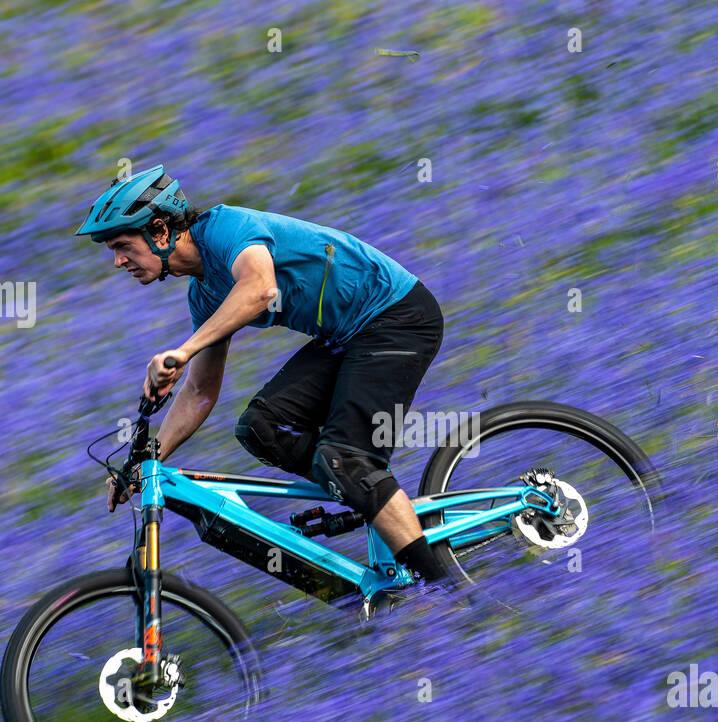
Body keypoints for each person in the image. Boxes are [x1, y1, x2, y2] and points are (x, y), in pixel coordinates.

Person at [77, 164, 453, 584]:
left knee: (345, 461)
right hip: (348, 335)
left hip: (396, 317)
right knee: (261, 427)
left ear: (161, 231)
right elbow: (200, 390)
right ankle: (367, 490)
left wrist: (183, 350)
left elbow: (260, 288)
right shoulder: (203, 292)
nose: (116, 261)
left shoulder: (225, 228)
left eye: (123, 245)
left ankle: (449, 593)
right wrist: (148, 460)